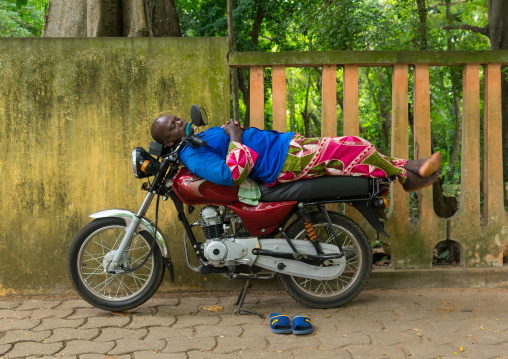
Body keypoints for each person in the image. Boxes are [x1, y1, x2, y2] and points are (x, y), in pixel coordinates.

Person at [150, 114, 441, 192]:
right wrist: (236, 135)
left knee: (352, 151)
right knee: (352, 146)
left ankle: (411, 169)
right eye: (172, 127)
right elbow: (230, 174)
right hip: (280, 163)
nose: (178, 123)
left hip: (286, 149)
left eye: (176, 119)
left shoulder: (195, 140)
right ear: (167, 143)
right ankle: (407, 175)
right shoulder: (191, 154)